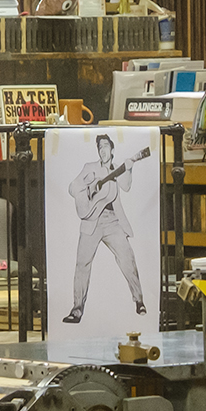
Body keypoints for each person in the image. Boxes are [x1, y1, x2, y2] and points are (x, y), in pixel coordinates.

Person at [66, 131, 146, 322]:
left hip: (112, 221)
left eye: (106, 146)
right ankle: (77, 309)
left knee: (127, 257)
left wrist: (129, 168)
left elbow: (126, 187)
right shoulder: (89, 167)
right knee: (82, 264)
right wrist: (87, 185)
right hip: (90, 220)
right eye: (100, 147)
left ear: (112, 149)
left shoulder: (118, 168)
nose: (103, 150)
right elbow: (72, 187)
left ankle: (139, 301)